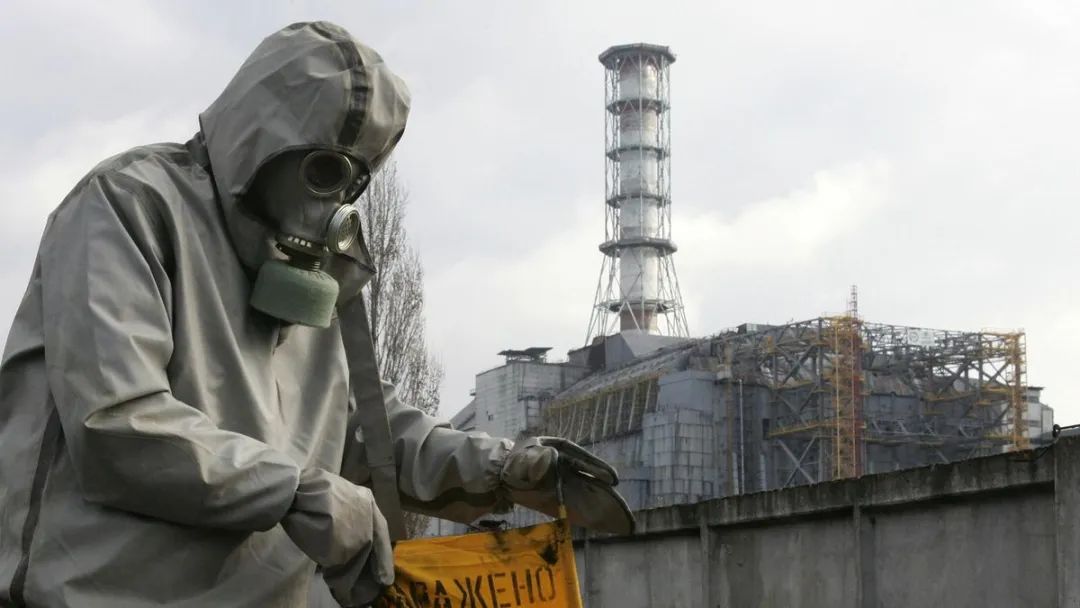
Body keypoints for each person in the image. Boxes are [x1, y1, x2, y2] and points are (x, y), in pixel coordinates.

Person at [0, 21, 632, 608]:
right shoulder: (130, 205)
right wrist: (296, 489)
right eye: (323, 167)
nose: (333, 198)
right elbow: (117, 423)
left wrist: (502, 469)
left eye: (356, 176)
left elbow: (364, 432)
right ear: (258, 141)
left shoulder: (313, 270)